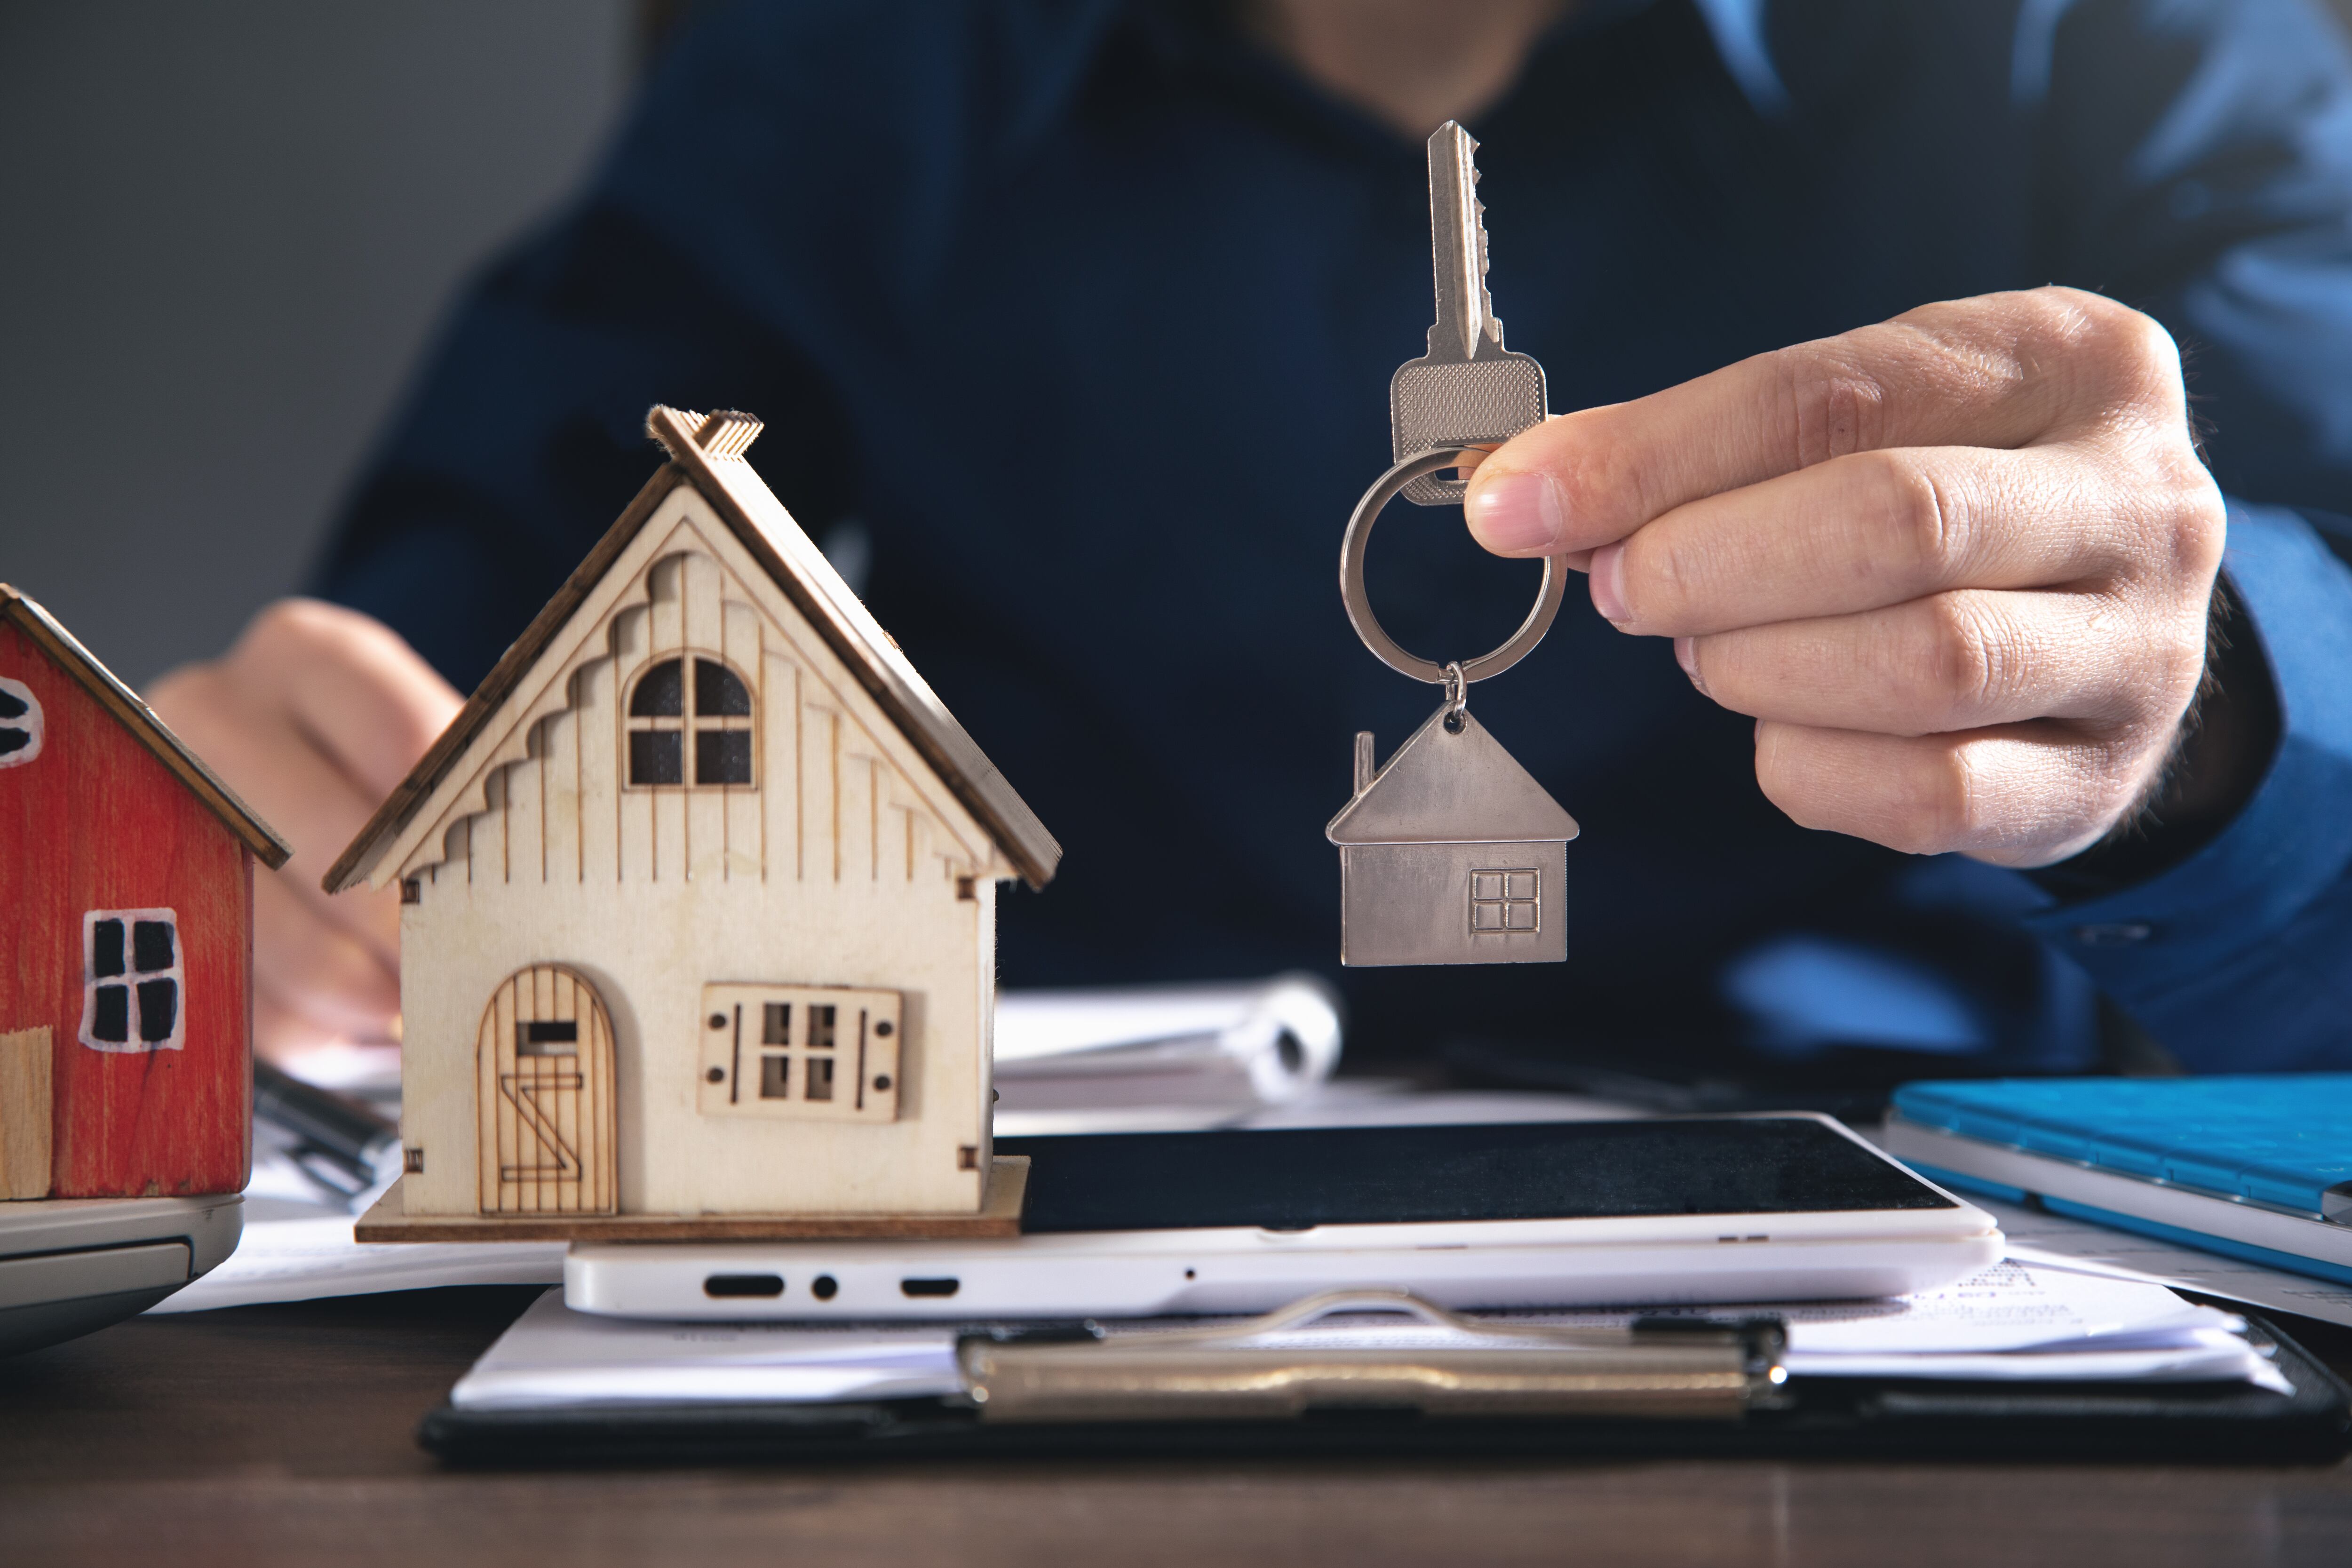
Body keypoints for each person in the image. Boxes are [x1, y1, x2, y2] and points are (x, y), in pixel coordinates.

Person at [149, 0, 2352, 1084]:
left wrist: (2209, 706)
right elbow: (443, 699)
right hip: (1017, 1256)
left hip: (1914, 1229)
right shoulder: (839, 65)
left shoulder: (2120, 39)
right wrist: (288, 839)